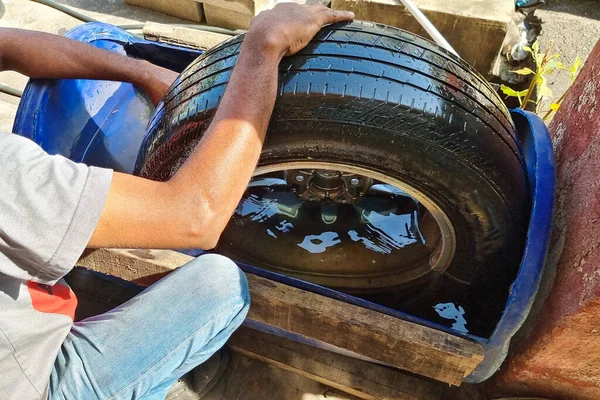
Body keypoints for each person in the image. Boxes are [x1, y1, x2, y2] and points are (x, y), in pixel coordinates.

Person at [0, 4, 354, 400]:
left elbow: (6, 45)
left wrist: (142, 71)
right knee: (220, 285)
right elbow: (196, 216)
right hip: (33, 387)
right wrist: (264, 47)